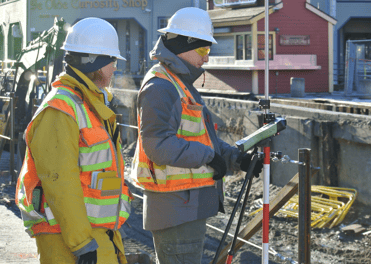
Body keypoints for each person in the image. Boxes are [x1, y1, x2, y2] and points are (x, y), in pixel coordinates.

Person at [130, 7, 263, 263]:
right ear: (183, 45)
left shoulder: (179, 84)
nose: (207, 59)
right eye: (203, 50)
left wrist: (237, 159)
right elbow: (157, 145)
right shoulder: (161, 86)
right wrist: (208, 156)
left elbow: (204, 140)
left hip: (185, 208)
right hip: (176, 210)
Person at [15, 17, 133, 264]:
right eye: (112, 61)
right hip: (69, 240)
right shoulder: (61, 109)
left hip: (95, 233)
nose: (115, 68)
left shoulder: (90, 105)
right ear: (96, 63)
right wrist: (81, 243)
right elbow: (60, 182)